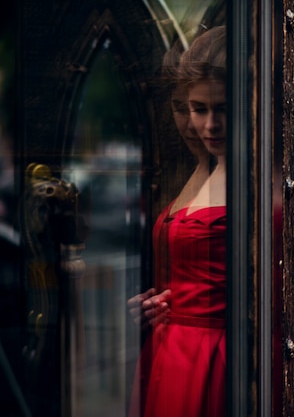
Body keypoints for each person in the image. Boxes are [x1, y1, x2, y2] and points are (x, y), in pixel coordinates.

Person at [127, 25, 227, 417]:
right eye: (196, 109)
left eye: (222, 109)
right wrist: (152, 303)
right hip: (169, 347)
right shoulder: (196, 168)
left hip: (217, 356)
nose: (206, 125)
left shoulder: (261, 181)